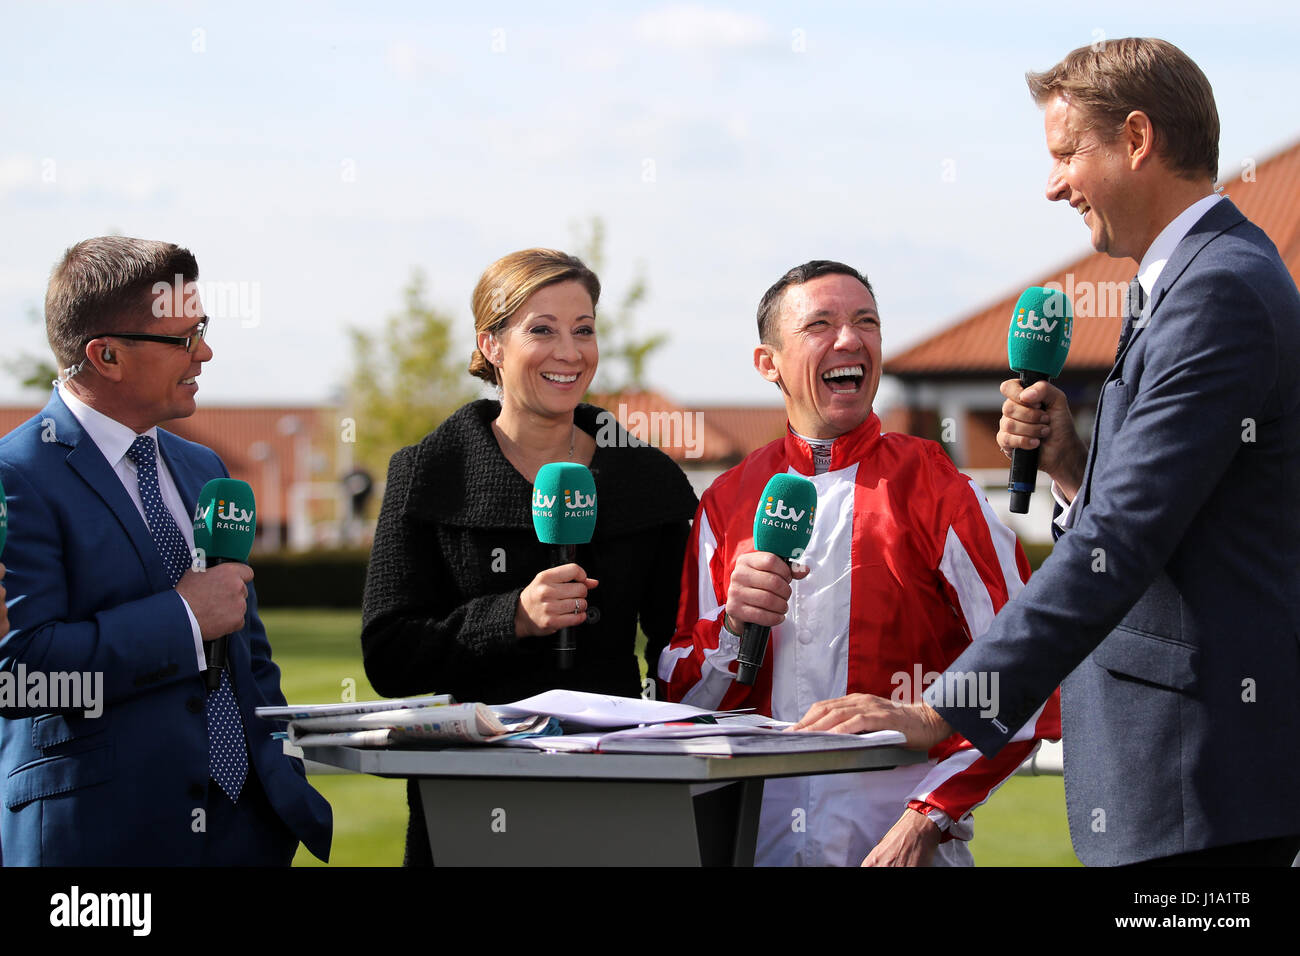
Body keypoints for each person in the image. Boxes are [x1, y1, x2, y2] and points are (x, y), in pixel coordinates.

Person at [796, 38, 1300, 867]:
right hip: (1184, 782)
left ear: (1137, 140)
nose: (1054, 183)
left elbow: (1123, 541)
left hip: (1196, 782)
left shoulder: (1216, 291)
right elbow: (1180, 513)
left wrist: (945, 709)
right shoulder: (1196, 279)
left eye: (1068, 153)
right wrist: (1074, 466)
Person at [658, 260, 1059, 866]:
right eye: (820, 323)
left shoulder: (939, 487)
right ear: (768, 363)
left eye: (865, 321)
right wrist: (733, 630)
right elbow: (677, 705)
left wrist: (929, 817)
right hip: (753, 846)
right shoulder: (724, 502)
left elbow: (1029, 676)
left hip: (903, 850)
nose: (850, 339)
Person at [0, 237, 331, 865]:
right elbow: (21, 677)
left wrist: (281, 774)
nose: (204, 352)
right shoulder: (14, 476)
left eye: (201, 329)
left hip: (248, 831)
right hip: (99, 842)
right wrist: (180, 619)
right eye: (183, 338)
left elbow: (247, 654)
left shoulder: (204, 466)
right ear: (107, 355)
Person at [361, 247, 697, 866]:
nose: (569, 352)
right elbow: (389, 656)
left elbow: (683, 642)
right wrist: (510, 617)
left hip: (619, 791)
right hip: (471, 801)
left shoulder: (647, 480)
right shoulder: (427, 473)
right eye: (541, 330)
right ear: (492, 344)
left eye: (584, 330)